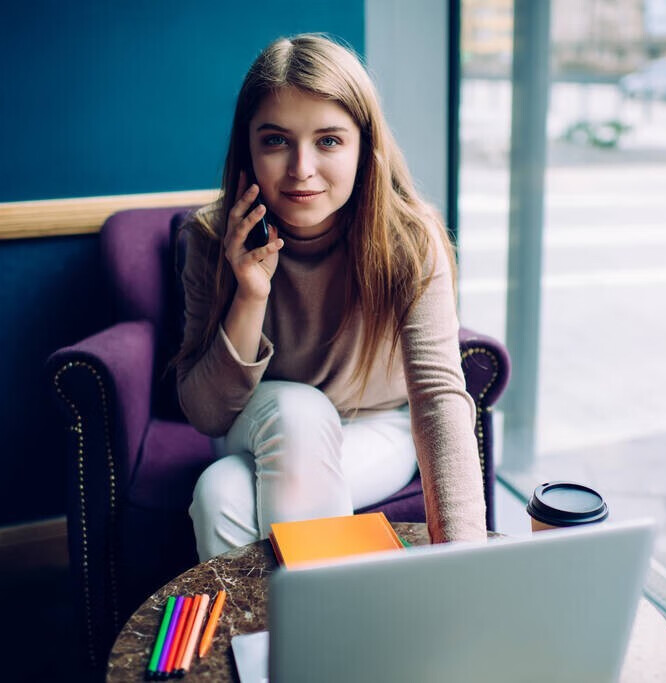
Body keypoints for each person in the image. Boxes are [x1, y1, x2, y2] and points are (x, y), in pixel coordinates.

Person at [174, 33, 486, 562]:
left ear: (365, 147)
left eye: (329, 141)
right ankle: (327, 635)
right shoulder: (209, 237)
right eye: (275, 140)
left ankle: (260, 643)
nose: (301, 168)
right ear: (247, 146)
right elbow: (206, 414)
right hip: (255, 421)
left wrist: (466, 560)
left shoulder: (408, 239)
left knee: (220, 494)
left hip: (377, 427)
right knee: (298, 410)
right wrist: (250, 293)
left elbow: (438, 397)